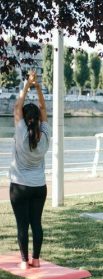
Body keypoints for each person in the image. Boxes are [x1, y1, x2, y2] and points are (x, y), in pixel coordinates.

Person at [9, 71, 50, 269]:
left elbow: (17, 107)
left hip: (19, 186)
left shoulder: (22, 133)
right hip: (39, 187)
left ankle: (25, 262)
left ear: (26, 120)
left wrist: (27, 85)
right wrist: (39, 88)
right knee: (36, 223)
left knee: (22, 225)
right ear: (39, 120)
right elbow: (43, 109)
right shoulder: (45, 135)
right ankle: (37, 260)